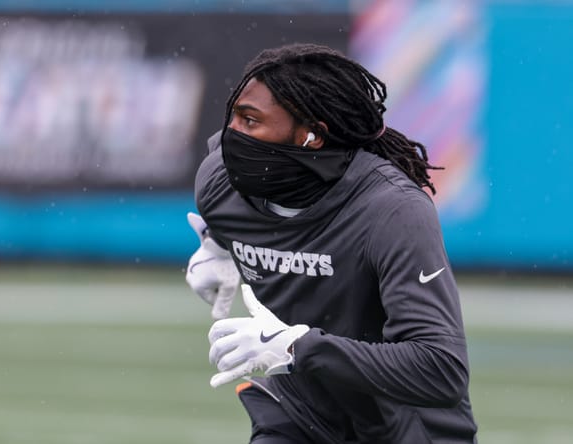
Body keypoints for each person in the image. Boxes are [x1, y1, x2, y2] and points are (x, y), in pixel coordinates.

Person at [184, 43, 477, 443]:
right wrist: (216, 249)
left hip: (405, 429)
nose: (232, 135)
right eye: (233, 116)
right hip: (298, 417)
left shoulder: (391, 210)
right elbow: (224, 206)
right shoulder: (220, 179)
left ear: (312, 136)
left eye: (250, 121)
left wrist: (297, 349)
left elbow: (442, 370)